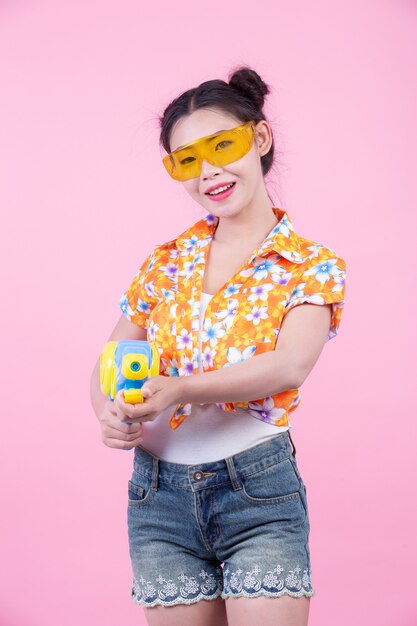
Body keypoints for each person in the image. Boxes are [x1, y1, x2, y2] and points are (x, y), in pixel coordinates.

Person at [90, 65, 346, 626]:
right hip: (158, 497)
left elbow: (289, 365)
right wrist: (110, 412)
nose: (208, 171)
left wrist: (180, 387)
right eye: (187, 160)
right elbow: (112, 360)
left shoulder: (310, 266)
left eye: (222, 145)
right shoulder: (166, 260)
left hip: (257, 492)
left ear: (259, 138)